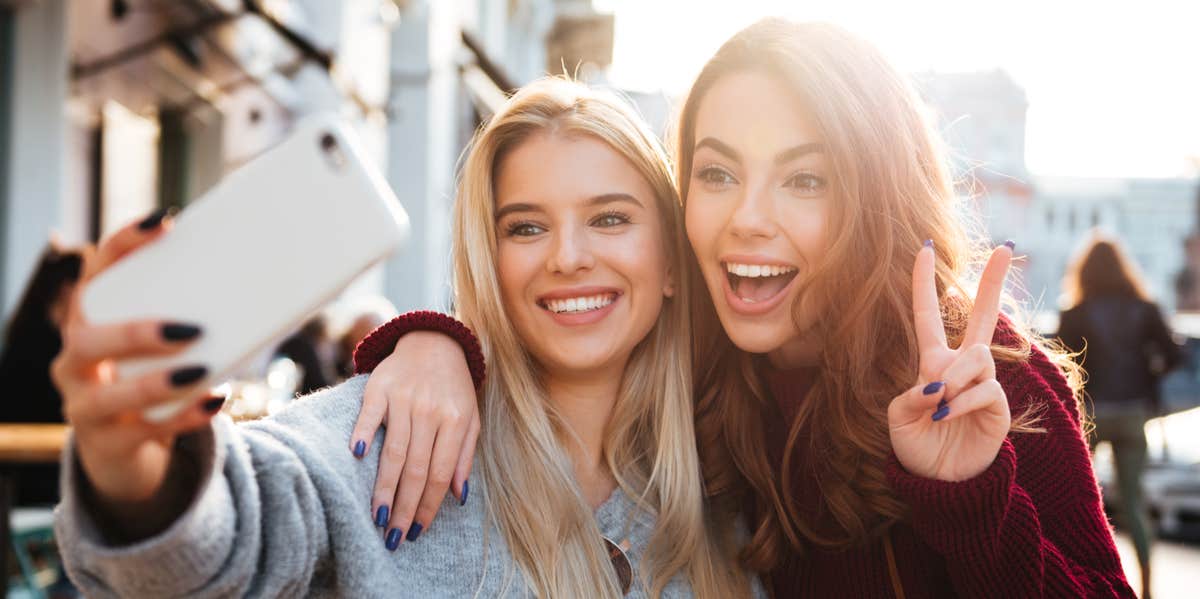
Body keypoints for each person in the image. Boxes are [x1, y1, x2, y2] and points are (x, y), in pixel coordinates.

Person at [353, 19, 1134, 598]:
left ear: (875, 197)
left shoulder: (974, 379)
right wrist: (437, 345)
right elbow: (552, 329)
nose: (746, 218)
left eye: (804, 180)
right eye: (718, 173)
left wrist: (974, 499)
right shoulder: (686, 358)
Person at [50, 79, 756, 598]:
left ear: (671, 260)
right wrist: (139, 471)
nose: (567, 256)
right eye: (526, 227)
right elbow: (223, 547)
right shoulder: (395, 433)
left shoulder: (730, 473)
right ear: (491, 258)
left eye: (609, 219)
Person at [1057, 235, 1180, 599]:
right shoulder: (1145, 308)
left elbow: (1061, 362)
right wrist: (1149, 373)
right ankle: (1146, 588)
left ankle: (1083, 583)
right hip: (1132, 413)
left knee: (1079, 503)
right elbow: (1173, 355)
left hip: (1090, 414)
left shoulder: (1075, 312)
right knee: (1133, 503)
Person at [0, 241, 83, 505]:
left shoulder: (26, 334)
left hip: (31, 478)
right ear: (68, 289)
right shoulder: (43, 347)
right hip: (37, 481)